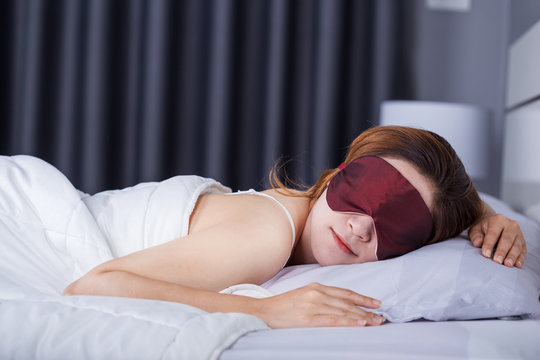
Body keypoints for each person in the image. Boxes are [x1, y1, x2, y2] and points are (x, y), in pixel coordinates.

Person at [63, 126, 527, 329]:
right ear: (340, 171)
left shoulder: (301, 224)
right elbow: (92, 287)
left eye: (399, 227)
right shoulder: (267, 232)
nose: (362, 227)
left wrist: (484, 215)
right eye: (368, 191)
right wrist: (266, 312)